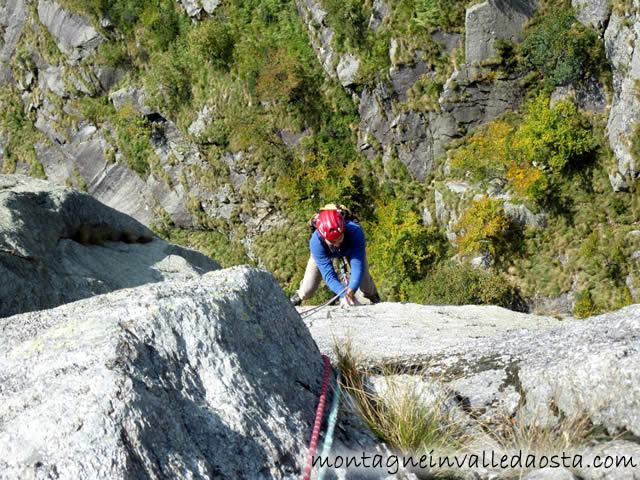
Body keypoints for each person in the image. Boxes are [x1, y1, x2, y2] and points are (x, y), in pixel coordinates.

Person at [291, 208, 380, 308]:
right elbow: (329, 275)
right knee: (308, 289)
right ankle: (299, 295)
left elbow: (357, 265)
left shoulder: (355, 231)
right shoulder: (316, 243)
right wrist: (345, 294)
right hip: (326, 252)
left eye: (339, 238)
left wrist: (351, 291)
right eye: (332, 241)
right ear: (323, 237)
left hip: (349, 249)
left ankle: (373, 296)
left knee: (365, 282)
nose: (337, 244)